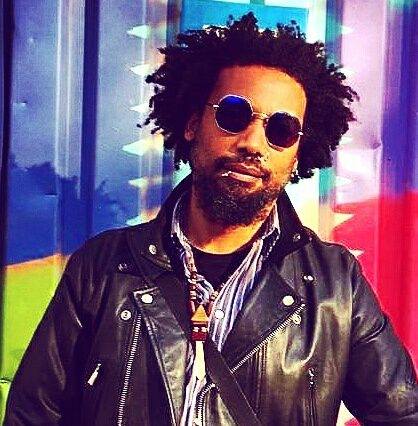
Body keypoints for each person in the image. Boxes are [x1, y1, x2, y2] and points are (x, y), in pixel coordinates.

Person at [5, 13, 418, 426]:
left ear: (296, 156)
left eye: (281, 130)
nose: (252, 143)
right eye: (234, 114)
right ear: (192, 124)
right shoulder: (102, 267)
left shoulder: (336, 285)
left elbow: (401, 414)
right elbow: (32, 416)